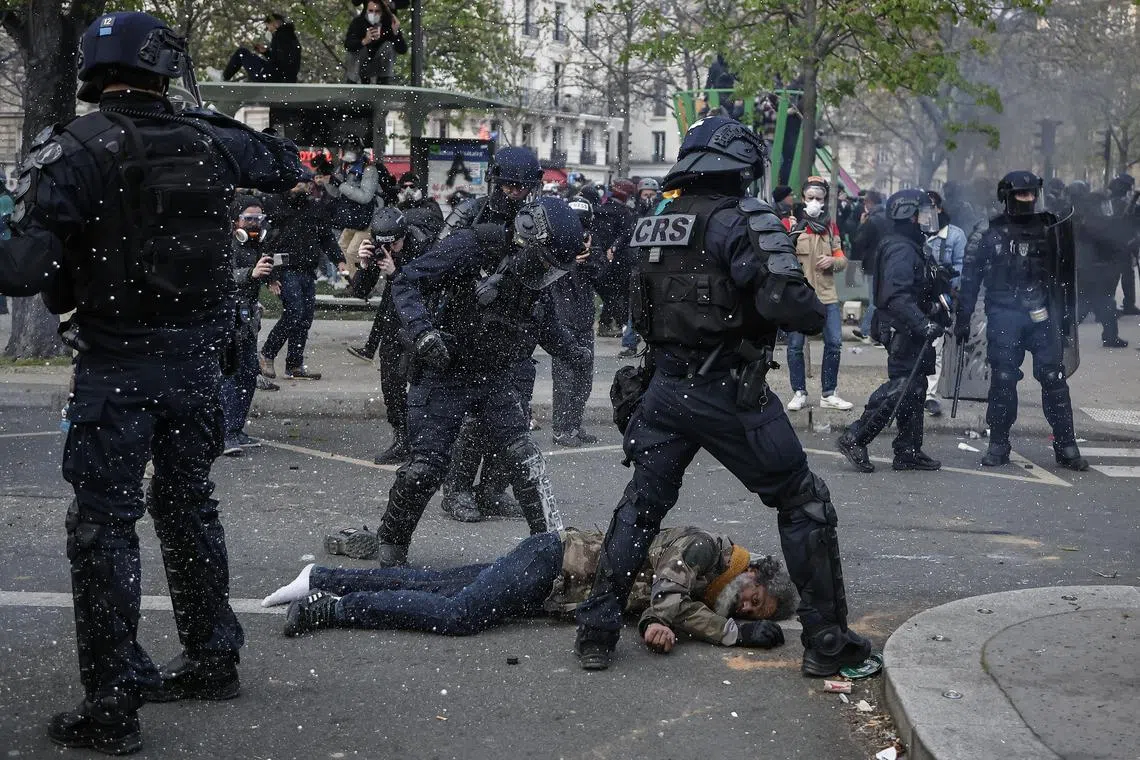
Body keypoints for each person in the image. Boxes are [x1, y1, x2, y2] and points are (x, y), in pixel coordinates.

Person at [0, 12, 306, 754]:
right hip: (197, 365)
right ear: (163, 68)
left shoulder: (75, 149)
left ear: (93, 70)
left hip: (119, 365)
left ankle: (111, 704)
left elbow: (18, 271)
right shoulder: (208, 139)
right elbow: (285, 164)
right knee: (186, 506)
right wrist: (197, 111)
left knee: (104, 528)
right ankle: (211, 655)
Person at [573, 116, 871, 676]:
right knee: (803, 501)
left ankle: (597, 630)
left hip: (663, 388)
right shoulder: (743, 219)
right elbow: (795, 305)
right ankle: (828, 643)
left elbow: (636, 303)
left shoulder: (659, 219)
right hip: (727, 390)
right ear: (742, 169)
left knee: (641, 508)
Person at [328, 197, 589, 566]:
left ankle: (551, 552)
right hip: (445, 371)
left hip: (494, 375)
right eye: (544, 263)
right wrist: (423, 334)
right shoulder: (474, 245)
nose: (545, 273)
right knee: (426, 468)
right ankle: (392, 544)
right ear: (528, 239)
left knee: (525, 459)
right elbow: (406, 282)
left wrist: (574, 352)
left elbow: (542, 322)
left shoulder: (532, 274)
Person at [267, 526, 796, 655]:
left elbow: (654, 601)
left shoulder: (707, 582)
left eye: (753, 611)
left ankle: (322, 579)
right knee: (457, 614)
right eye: (753, 599)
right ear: (753, 574)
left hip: (552, 579)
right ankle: (332, 610)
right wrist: (731, 633)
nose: (744, 607)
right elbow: (666, 598)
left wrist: (654, 624)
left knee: (432, 582)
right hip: (552, 565)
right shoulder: (706, 550)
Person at [434, 148, 548, 520]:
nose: (515, 193)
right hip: (475, 328)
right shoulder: (470, 213)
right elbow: (441, 260)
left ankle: (493, 489)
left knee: (515, 417)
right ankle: (458, 490)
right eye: (509, 185)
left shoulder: (538, 220)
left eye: (523, 187)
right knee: (476, 418)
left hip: (519, 329)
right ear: (496, 182)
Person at [954, 171, 1089, 471]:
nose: (1027, 199)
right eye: (1021, 194)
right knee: (1003, 379)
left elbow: (1066, 273)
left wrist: (1067, 318)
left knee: (1054, 379)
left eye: (1031, 194)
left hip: (1043, 314)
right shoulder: (988, 230)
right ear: (1007, 196)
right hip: (1004, 314)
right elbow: (970, 277)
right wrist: (962, 317)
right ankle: (999, 444)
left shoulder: (1051, 226)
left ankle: (1066, 446)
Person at [837, 190, 947, 474]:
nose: (927, 217)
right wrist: (922, 324)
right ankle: (856, 436)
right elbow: (896, 296)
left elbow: (913, 288)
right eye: (922, 212)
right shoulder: (901, 247)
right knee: (904, 384)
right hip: (903, 328)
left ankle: (908, 450)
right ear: (910, 215)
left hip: (908, 325)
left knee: (917, 385)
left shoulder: (908, 243)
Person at [347, 206, 444, 464]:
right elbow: (360, 291)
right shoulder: (381, 247)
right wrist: (365, 265)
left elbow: (428, 287)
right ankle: (402, 438)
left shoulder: (423, 246)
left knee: (422, 386)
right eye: (385, 246)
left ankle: (425, 441)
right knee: (391, 383)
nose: (391, 250)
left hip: (420, 322)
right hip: (393, 321)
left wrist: (396, 273)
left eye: (396, 244)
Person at [259, 181, 349, 381]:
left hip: (307, 270)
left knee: (305, 318)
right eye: (296, 183)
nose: (301, 188)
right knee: (294, 312)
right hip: (285, 269)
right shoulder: (277, 206)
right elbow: (267, 243)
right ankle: (267, 354)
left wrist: (339, 260)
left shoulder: (315, 209)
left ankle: (294, 365)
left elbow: (327, 238)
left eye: (305, 183)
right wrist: (270, 276)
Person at [783, 176, 853, 413]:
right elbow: (779, 258)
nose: (814, 202)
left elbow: (843, 260)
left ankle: (829, 393)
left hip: (827, 294)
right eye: (810, 197)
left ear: (825, 201)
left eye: (819, 198)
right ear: (803, 198)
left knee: (834, 343)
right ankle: (799, 392)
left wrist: (832, 261)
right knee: (794, 345)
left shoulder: (830, 226)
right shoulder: (791, 224)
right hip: (799, 295)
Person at [221, 197, 275, 456]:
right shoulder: (225, 245)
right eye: (249, 218)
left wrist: (271, 278)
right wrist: (249, 274)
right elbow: (220, 278)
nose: (254, 224)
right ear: (235, 221)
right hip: (228, 316)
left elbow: (259, 272)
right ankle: (225, 433)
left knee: (248, 373)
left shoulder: (257, 245)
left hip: (248, 318)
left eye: (259, 219)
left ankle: (237, 427)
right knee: (230, 374)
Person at [551, 194, 602, 447]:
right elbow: (549, 274)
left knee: (584, 380)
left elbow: (603, 274)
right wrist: (569, 258)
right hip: (562, 321)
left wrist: (589, 256)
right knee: (564, 380)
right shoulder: (553, 243)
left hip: (583, 320)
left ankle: (574, 424)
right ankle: (561, 429)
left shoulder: (591, 245)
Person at [922, 191, 967, 417]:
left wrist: (948, 298)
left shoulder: (955, 236)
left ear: (939, 208)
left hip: (941, 299)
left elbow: (961, 268)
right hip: (917, 298)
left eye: (931, 206)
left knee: (936, 347)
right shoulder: (916, 233)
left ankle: (929, 394)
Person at [1070, 181, 1127, 348]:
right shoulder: (1092, 220)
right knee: (1096, 304)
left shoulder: (1089, 217)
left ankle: (1063, 335)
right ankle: (1109, 337)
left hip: (1093, 267)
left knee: (1094, 304)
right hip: (1092, 267)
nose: (1107, 207)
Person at [327, 145, 381, 274]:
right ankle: (351, 282)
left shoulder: (368, 169)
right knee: (342, 248)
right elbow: (336, 193)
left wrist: (342, 185)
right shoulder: (345, 167)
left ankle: (361, 283)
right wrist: (330, 182)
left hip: (368, 218)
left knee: (354, 251)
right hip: (353, 217)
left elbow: (365, 197)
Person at [594, 178, 637, 339]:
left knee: (608, 293)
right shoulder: (625, 213)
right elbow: (626, 235)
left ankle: (608, 323)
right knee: (617, 293)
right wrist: (614, 248)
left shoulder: (599, 210)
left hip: (599, 257)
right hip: (618, 259)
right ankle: (612, 324)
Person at [851, 190, 889, 344]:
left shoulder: (871, 220)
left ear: (869, 203)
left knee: (874, 300)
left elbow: (859, 241)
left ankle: (866, 329)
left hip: (873, 264)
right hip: (887, 263)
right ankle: (876, 331)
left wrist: (861, 224)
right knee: (881, 299)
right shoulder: (888, 217)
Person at [221, 12, 301, 83]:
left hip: (270, 78)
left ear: (275, 23)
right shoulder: (290, 37)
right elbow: (282, 61)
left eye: (268, 27)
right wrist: (266, 52)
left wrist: (266, 70)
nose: (268, 30)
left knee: (241, 52)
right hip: (284, 79)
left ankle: (223, 77)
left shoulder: (280, 36)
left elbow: (280, 63)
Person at [344, 0, 407, 85]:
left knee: (388, 46)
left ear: (382, 12)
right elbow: (348, 45)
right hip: (361, 66)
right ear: (366, 10)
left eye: (377, 11)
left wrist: (396, 33)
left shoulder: (389, 25)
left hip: (379, 66)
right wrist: (364, 41)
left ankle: (384, 82)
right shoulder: (359, 22)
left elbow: (402, 49)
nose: (373, 14)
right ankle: (352, 82)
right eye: (370, 11)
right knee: (357, 47)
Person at [1104, 173, 1140, 315]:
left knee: (1122, 275)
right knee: (1116, 275)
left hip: (1121, 243)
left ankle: (1118, 305)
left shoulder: (1112, 203)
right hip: (1118, 243)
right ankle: (1109, 306)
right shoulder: (1118, 203)